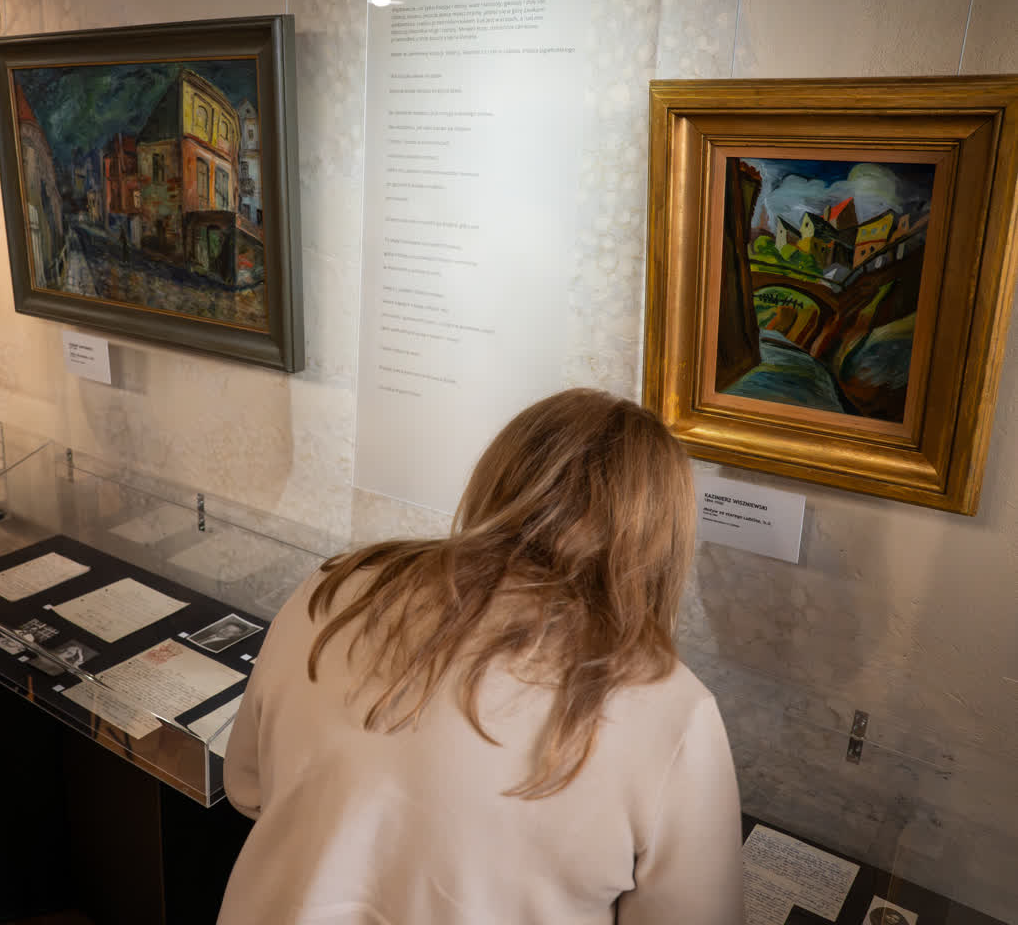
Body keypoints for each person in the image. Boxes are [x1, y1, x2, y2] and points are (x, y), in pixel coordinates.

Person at [219, 389, 743, 925]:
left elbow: (246, 786)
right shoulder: (673, 707)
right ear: (660, 535)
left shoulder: (337, 587)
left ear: (498, 477)